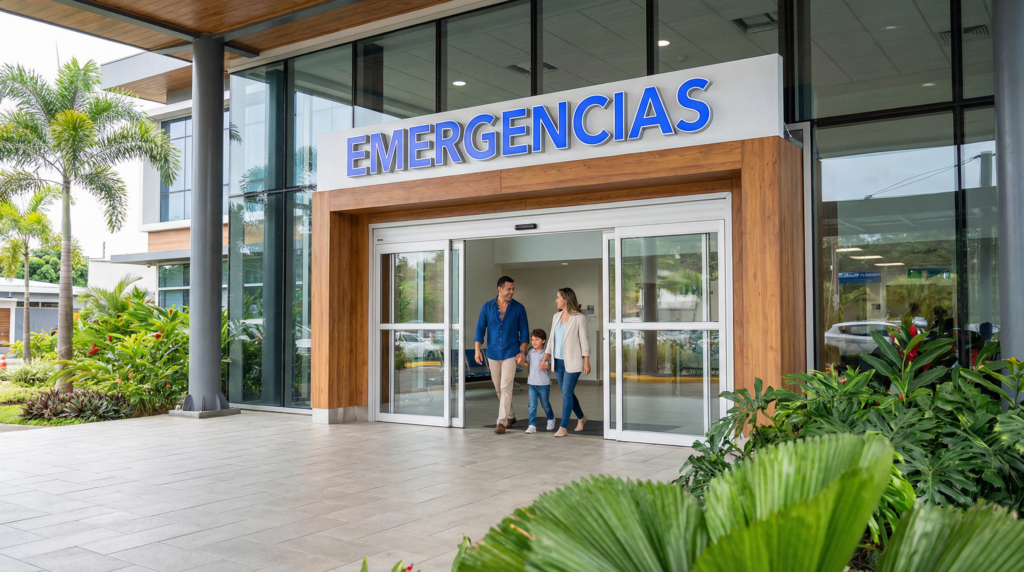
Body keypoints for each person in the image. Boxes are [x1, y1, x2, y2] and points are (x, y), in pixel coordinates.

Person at [474, 276, 529, 434]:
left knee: (506, 387)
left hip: (511, 352)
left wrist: (523, 351)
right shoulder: (487, 307)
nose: (512, 292)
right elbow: (480, 329)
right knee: (498, 388)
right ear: (500, 289)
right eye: (508, 289)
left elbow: (524, 332)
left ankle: (501, 422)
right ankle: (510, 415)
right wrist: (478, 349)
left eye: (513, 289)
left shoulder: (519, 308)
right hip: (492, 352)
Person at [543, 287, 590, 438]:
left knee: (566, 394)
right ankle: (581, 418)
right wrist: (545, 358)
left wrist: (586, 361)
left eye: (558, 297)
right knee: (567, 393)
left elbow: (584, 341)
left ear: (566, 299)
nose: (556, 300)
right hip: (558, 362)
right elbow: (551, 339)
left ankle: (563, 427)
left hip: (573, 361)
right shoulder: (556, 317)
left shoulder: (579, 318)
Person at [524, 329, 556, 434]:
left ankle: (551, 419)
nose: (534, 342)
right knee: (532, 405)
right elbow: (529, 364)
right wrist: (522, 362)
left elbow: (552, 365)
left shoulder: (547, 353)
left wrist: (545, 366)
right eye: (532, 339)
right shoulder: (530, 352)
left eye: (537, 339)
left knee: (545, 404)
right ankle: (532, 425)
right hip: (532, 383)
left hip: (543, 383)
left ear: (543, 341)